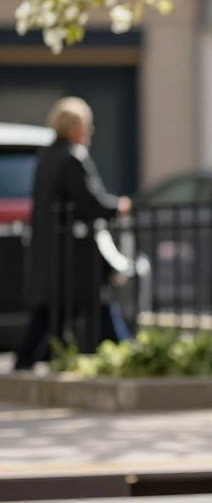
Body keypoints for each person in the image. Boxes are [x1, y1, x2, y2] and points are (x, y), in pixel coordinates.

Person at [15, 97, 132, 371]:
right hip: (72, 254)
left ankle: (30, 361)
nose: (89, 132)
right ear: (74, 127)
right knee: (91, 304)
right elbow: (89, 200)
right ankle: (123, 353)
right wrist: (117, 207)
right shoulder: (71, 157)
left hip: (51, 250)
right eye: (86, 126)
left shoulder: (47, 157)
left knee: (52, 312)